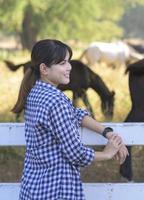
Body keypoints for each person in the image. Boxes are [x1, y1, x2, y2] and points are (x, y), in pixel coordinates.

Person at [12, 39, 129, 200]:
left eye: (68, 62)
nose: (69, 67)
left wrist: (107, 132)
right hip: (55, 188)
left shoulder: (36, 94)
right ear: (44, 69)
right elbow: (76, 153)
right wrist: (107, 154)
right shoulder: (56, 101)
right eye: (62, 63)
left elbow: (75, 114)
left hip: (34, 187)